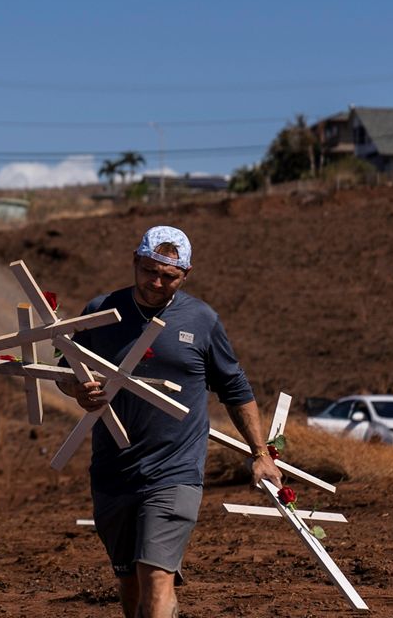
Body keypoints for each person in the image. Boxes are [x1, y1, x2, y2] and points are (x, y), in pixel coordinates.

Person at [57, 226, 282, 618]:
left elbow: (236, 389)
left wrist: (261, 454)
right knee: (129, 582)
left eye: (169, 276)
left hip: (174, 471)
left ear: (186, 275)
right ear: (135, 261)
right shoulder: (100, 312)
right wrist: (77, 390)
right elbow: (63, 370)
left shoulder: (202, 320)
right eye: (148, 270)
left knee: (156, 575)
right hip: (114, 471)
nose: (156, 282)